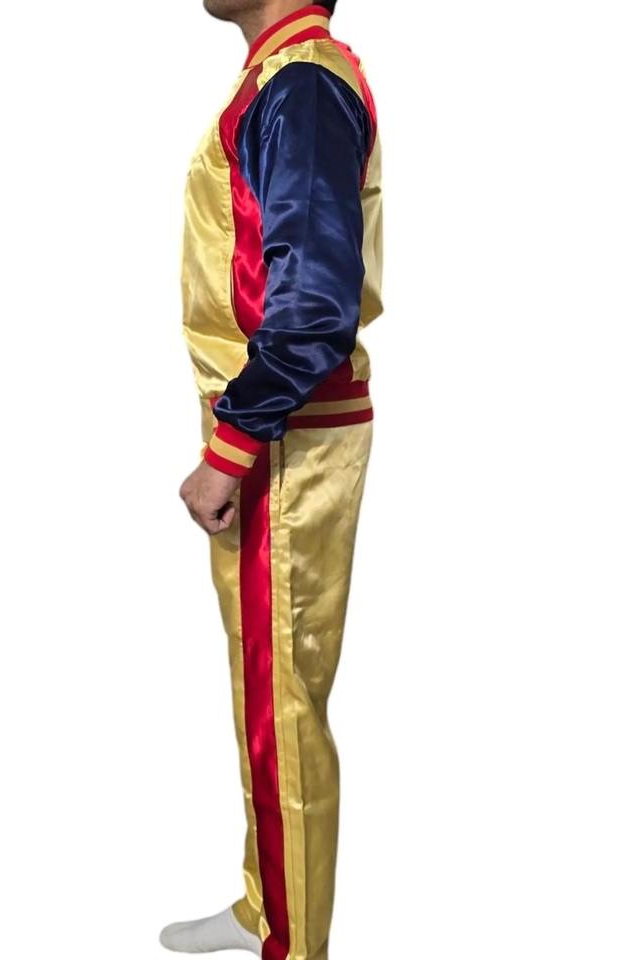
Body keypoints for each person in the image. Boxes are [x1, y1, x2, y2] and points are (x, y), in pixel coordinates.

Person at [162, 2, 383, 957]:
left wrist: (232, 448)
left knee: (282, 699)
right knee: (265, 684)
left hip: (287, 436)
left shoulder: (300, 84)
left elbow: (313, 302)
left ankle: (292, 945)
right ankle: (268, 900)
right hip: (280, 426)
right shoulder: (282, 77)